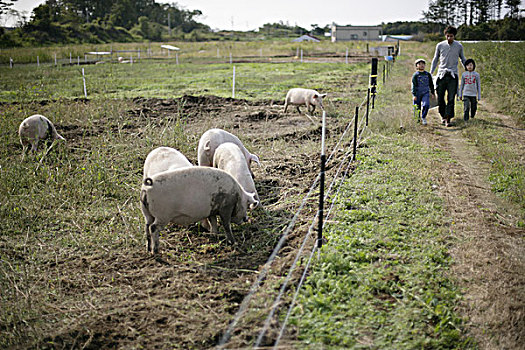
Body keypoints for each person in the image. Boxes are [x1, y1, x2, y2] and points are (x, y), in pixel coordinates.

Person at [430, 26, 467, 127]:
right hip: (441, 75)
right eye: (447, 36)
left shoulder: (459, 46)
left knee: (451, 98)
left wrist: (468, 70)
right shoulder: (440, 45)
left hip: (452, 75)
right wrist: (431, 73)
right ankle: (443, 115)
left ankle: (448, 118)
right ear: (445, 35)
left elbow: (462, 59)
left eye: (451, 36)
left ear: (454, 36)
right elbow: (435, 59)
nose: (449, 38)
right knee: (440, 97)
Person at [411, 58, 436, 125]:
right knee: (417, 107)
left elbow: (431, 84)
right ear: (417, 66)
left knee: (426, 105)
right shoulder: (415, 75)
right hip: (417, 93)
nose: (421, 65)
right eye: (420, 64)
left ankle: (423, 117)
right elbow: (413, 85)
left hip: (426, 92)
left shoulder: (427, 74)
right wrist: (414, 95)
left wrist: (433, 93)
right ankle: (417, 120)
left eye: (423, 64)